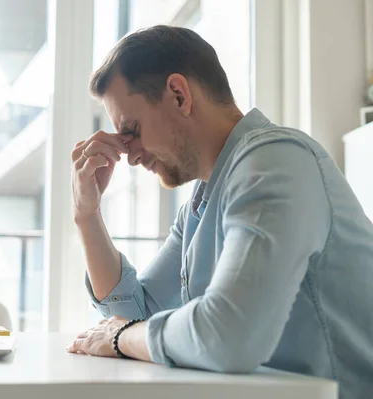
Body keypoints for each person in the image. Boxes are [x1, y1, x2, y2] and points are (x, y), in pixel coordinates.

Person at [67, 25, 373, 399]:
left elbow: (229, 336)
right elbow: (136, 314)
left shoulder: (275, 163)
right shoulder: (202, 200)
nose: (129, 155)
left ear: (178, 95)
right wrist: (87, 214)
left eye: (131, 130)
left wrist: (119, 337)